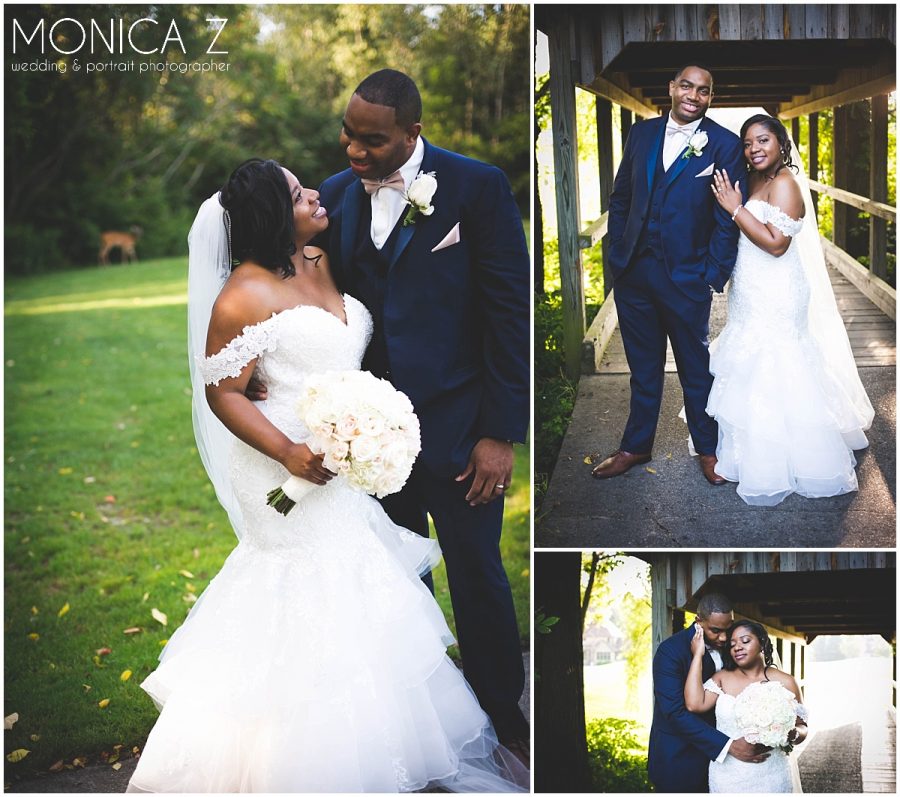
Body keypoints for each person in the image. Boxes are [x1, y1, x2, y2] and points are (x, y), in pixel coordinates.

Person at [126, 159, 527, 792]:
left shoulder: (318, 257)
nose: (315, 191)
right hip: (281, 462)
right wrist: (287, 451)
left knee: (359, 590)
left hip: (340, 456)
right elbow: (224, 393)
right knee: (303, 588)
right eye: (296, 192)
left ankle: (382, 743)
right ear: (269, 217)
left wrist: (363, 430)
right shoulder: (242, 294)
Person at [251, 69, 531, 754]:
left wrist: (500, 433)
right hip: (367, 441)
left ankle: (505, 716)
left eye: (371, 140)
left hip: (462, 430)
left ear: (412, 133)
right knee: (396, 584)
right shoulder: (337, 195)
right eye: (348, 133)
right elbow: (287, 284)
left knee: (477, 576)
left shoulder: (477, 187)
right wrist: (256, 359)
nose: (353, 150)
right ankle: (427, 723)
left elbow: (508, 314)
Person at [707, 114, 874, 505]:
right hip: (749, 286)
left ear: (781, 142)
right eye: (748, 143)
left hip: (779, 288)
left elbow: (776, 243)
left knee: (779, 360)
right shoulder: (752, 179)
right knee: (751, 358)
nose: (754, 149)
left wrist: (734, 208)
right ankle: (748, 447)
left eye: (763, 140)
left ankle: (788, 456)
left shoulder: (786, 184)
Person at [592, 64, 744, 485]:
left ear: (711, 97)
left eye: (704, 90)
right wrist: (617, 254)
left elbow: (726, 218)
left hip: (686, 277)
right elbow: (621, 196)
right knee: (643, 368)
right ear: (672, 88)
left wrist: (711, 274)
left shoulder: (724, 145)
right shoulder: (641, 134)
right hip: (634, 274)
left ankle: (709, 450)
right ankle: (636, 446)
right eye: (687, 86)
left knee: (696, 369)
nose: (694, 95)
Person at [648, 593, 770, 792]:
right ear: (698, 621)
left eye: (727, 629)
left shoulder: (732, 647)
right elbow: (674, 712)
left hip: (730, 766)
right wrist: (728, 745)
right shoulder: (670, 652)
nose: (723, 637)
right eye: (715, 630)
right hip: (681, 758)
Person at [684, 620, 808, 792]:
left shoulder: (786, 681)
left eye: (745, 641)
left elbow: (802, 726)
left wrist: (791, 733)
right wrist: (697, 655)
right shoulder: (721, 678)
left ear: (762, 643)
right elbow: (694, 704)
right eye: (732, 644)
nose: (737, 647)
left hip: (772, 775)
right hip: (728, 777)